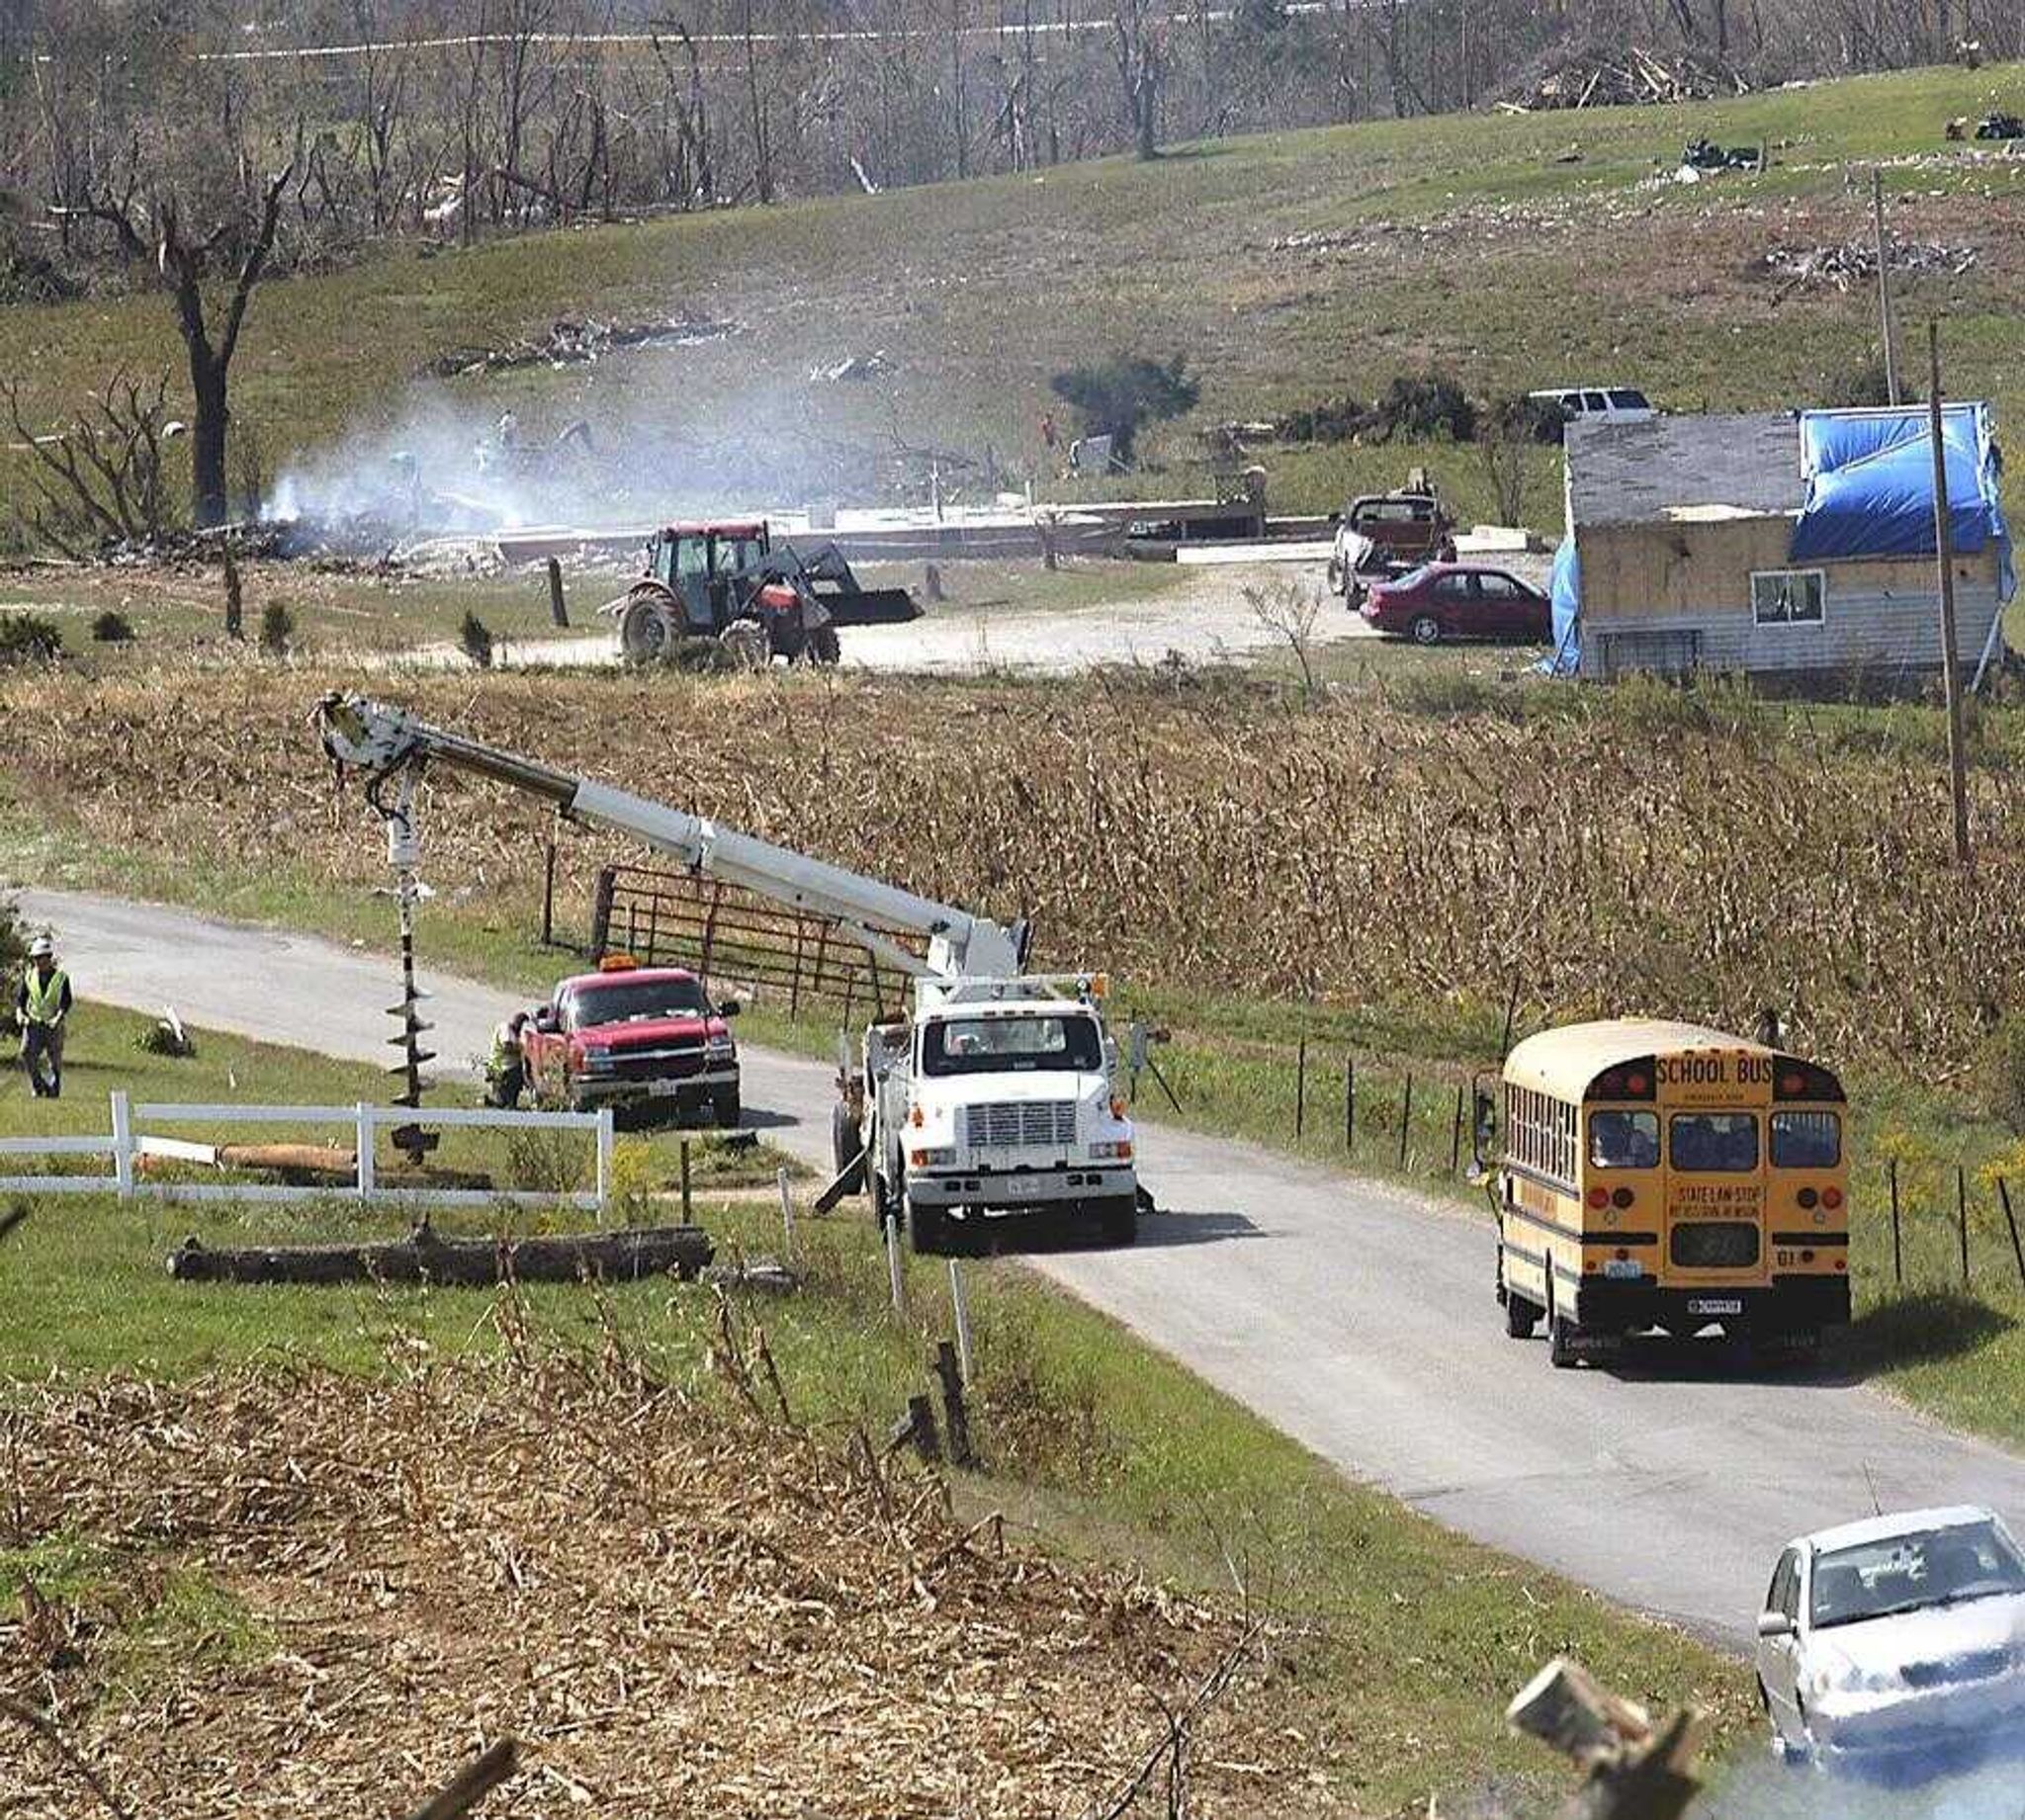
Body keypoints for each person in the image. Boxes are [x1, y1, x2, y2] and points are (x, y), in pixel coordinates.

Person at [17, 935, 71, 1099]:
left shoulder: (61, 978)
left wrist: (57, 1018)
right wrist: (20, 1015)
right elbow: (21, 1000)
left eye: (43, 958)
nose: (40, 962)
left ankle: (53, 1090)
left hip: (53, 1025)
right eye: (37, 958)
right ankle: (38, 1085)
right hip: (33, 1023)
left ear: (49, 958)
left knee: (54, 1061)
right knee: (26, 1053)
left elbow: (66, 1002)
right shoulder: (28, 976)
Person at [484, 1009, 530, 1108]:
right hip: (502, 1067)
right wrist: (522, 1048)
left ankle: (506, 1102)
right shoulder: (506, 1028)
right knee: (517, 1073)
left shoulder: (514, 1034)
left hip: (504, 1067)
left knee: (521, 1072)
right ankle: (506, 1102)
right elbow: (507, 1047)